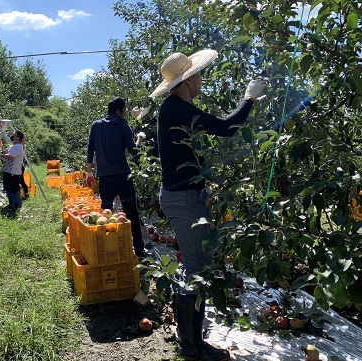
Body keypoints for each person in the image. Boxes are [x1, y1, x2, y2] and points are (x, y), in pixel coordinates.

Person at [152, 49, 266, 361]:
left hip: (186, 195)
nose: (201, 80)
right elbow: (226, 128)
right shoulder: (177, 109)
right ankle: (191, 346)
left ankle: (188, 338)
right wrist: (249, 98)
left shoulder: (176, 109)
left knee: (195, 264)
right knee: (195, 267)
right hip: (183, 199)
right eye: (198, 75)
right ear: (187, 80)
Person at [86, 97, 147, 257]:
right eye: (124, 111)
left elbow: (90, 148)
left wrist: (89, 172)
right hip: (123, 177)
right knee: (131, 213)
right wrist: (140, 138)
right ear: (119, 111)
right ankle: (139, 250)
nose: (125, 114)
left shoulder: (96, 126)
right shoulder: (122, 125)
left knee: (105, 214)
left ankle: (105, 250)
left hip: (105, 177)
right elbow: (134, 152)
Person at [1, 130, 25, 212]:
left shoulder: (18, 147)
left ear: (18, 137)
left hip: (13, 172)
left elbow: (10, 157)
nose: (12, 136)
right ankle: (11, 204)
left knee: (13, 189)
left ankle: (15, 205)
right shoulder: (13, 146)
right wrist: (2, 151)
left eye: (14, 135)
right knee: (8, 188)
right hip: (8, 171)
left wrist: (0, 155)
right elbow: (6, 152)